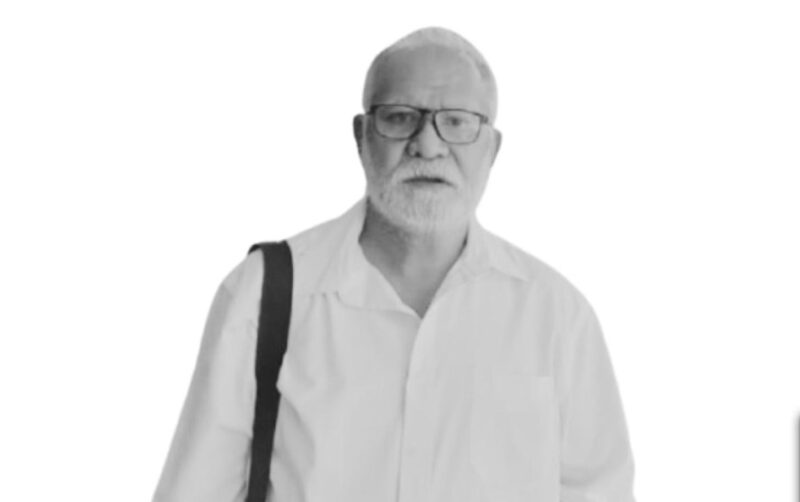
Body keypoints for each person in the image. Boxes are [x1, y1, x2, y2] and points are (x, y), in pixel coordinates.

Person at [153, 26, 637, 502]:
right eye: (400, 117)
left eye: (457, 122)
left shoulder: (557, 314)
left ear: (492, 148)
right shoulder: (265, 294)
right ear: (362, 136)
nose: (428, 145)